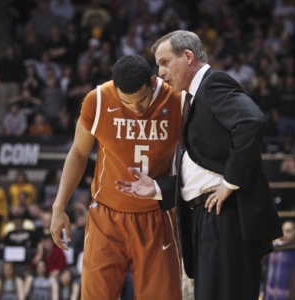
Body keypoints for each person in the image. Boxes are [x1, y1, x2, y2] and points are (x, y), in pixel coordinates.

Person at [115, 30, 283, 300]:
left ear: (188, 56)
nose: (160, 72)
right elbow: (202, 167)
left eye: (165, 62)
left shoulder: (213, 83)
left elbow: (251, 122)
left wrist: (230, 182)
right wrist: (158, 188)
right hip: (208, 216)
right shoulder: (192, 98)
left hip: (225, 214)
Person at [50, 54, 183, 299]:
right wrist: (59, 206)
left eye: (141, 101)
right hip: (106, 217)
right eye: (127, 103)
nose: (136, 109)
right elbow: (79, 152)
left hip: (157, 216)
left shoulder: (176, 100)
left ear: (152, 82)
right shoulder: (98, 100)